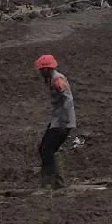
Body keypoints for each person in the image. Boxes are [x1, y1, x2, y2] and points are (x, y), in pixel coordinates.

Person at [34, 54, 76, 189]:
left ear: (47, 69)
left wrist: (65, 120)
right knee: (44, 149)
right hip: (58, 121)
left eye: (41, 70)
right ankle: (55, 182)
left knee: (47, 150)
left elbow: (68, 99)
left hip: (62, 122)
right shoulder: (52, 78)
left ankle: (51, 183)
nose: (40, 72)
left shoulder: (57, 79)